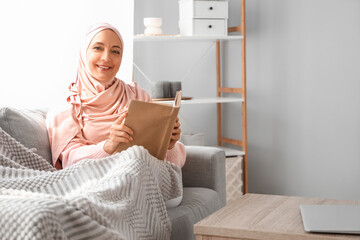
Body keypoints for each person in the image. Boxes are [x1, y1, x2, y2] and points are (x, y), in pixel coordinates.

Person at [46, 23, 186, 171]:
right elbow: (69, 162)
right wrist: (109, 146)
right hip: (96, 179)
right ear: (84, 52)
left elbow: (166, 164)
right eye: (97, 48)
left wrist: (168, 145)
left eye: (115, 51)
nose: (106, 57)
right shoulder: (66, 107)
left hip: (142, 176)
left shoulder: (137, 96)